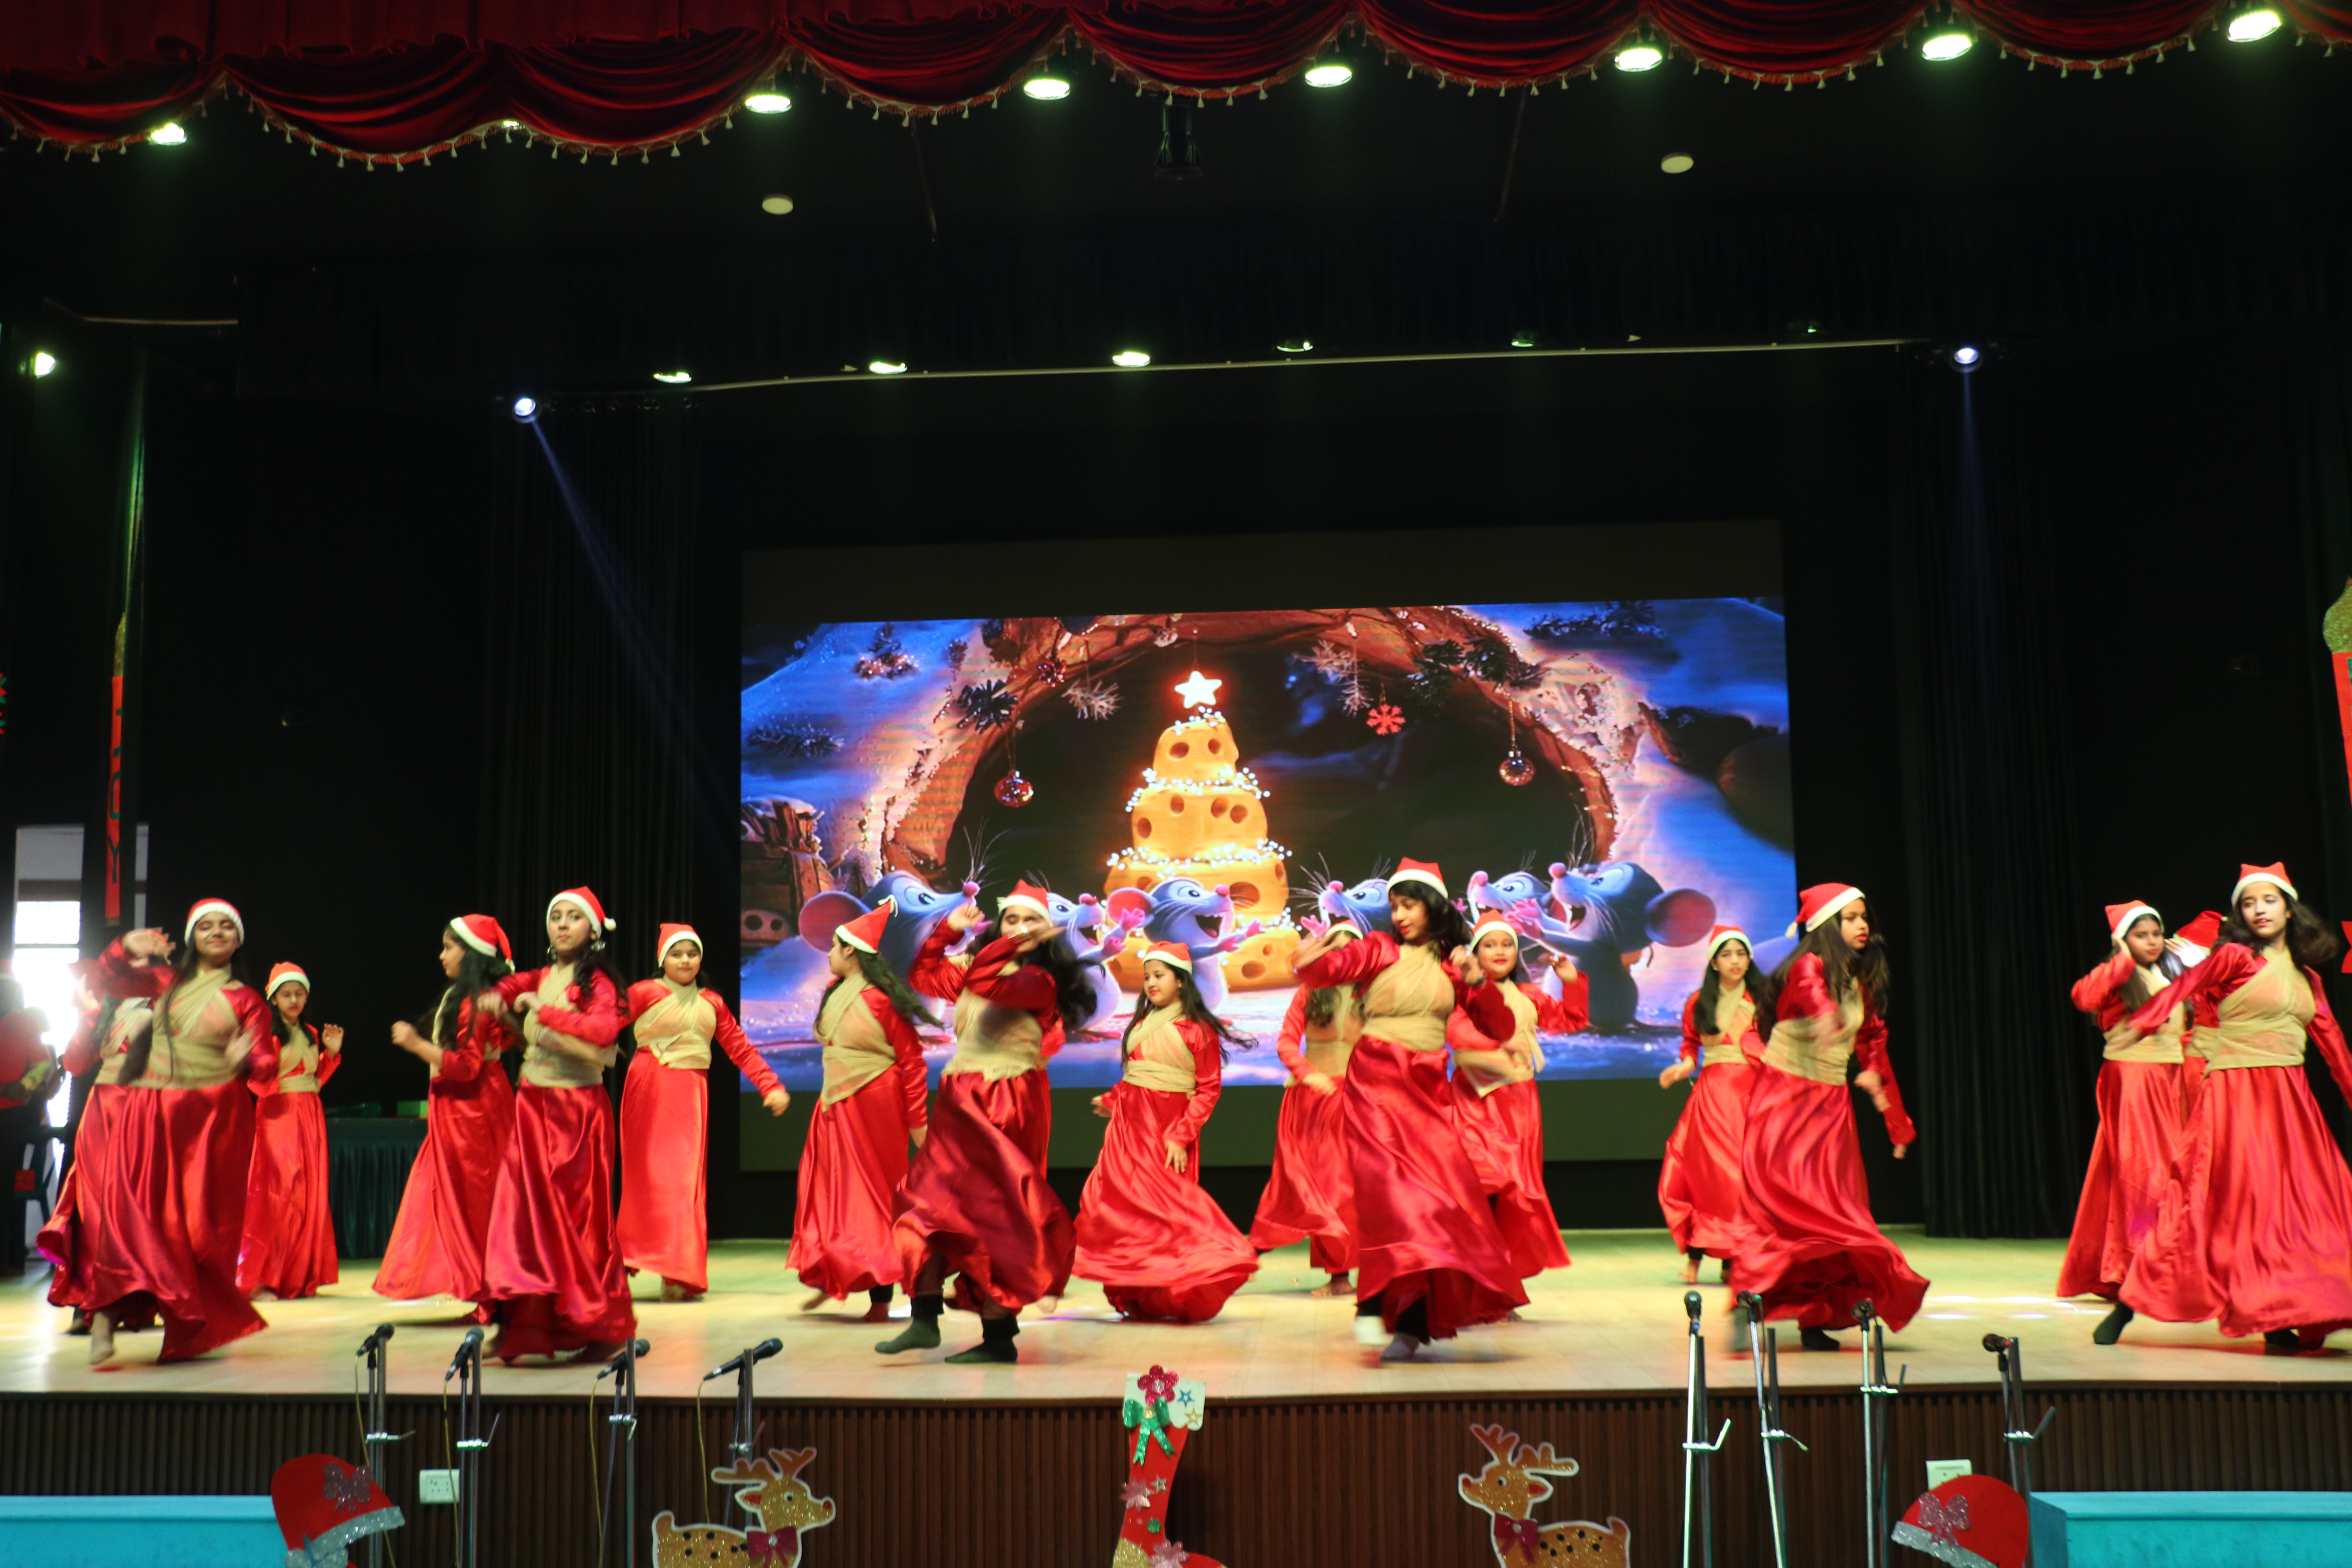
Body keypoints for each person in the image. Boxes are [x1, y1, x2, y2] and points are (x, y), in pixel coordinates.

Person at [1290, 858, 1526, 1363]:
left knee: (1437, 1202)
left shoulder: (1454, 964)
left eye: (1409, 905)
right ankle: (1377, 1304)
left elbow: (1500, 1027)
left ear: (1432, 907)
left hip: (1427, 1089)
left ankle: (1412, 1320)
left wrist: (1478, 982)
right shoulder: (1379, 948)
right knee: (1392, 1198)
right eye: (1395, 906)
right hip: (1375, 1082)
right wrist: (1307, 960)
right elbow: (1328, 970)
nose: (1399, 915)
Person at [2116, 864, 2352, 1350]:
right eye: (2248, 903)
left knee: (2310, 1206)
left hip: (2290, 1103)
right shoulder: (2236, 958)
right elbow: (2185, 986)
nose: (2259, 910)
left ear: (2290, 909)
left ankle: (2286, 1309)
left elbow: (2336, 1049)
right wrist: (2145, 1020)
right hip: (2235, 1096)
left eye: (2269, 900)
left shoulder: (2308, 979)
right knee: (2230, 1204)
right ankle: (2137, 1297)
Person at [49, 900, 280, 1365]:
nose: (217, 932)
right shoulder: (165, 981)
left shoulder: (248, 1000)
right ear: (193, 937)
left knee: (195, 1232)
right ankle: (104, 1314)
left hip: (212, 1122)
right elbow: (108, 980)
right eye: (206, 926)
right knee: (134, 1215)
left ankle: (184, 1321)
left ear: (239, 939)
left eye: (227, 927)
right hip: (151, 1111)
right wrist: (123, 945)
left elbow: (267, 1064)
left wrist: (246, 1060)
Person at [879, 880, 1081, 1365]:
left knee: (999, 1215)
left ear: (1047, 932)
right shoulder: (977, 969)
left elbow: (988, 984)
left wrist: (1005, 945)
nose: (1019, 929)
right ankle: (925, 1315)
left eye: (1030, 921)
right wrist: (948, 931)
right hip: (960, 1097)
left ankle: (998, 1336)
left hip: (1006, 1098)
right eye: (1011, 920)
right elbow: (924, 974)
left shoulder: (1038, 981)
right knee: (925, 1201)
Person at [1728, 884, 1925, 1348]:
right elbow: (1813, 998)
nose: (1863, 925)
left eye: (1864, 917)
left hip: (1831, 1111)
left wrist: (1897, 1122)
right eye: (1851, 918)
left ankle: (1815, 1315)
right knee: (1789, 1209)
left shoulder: (1859, 983)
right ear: (1827, 927)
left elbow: (1874, 1047)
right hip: (1784, 1105)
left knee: (1834, 1215)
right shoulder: (1808, 966)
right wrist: (1827, 1021)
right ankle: (1748, 1298)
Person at [483, 888, 633, 1362]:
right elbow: (507, 987)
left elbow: (603, 1031)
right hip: (532, 1107)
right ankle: (520, 1325)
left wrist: (541, 1010)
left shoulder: (600, 983)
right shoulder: (541, 976)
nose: (563, 925)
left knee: (576, 1222)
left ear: (593, 930)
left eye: (573, 917)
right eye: (556, 917)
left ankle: (598, 1326)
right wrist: (495, 996)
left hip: (577, 1113)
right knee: (522, 1218)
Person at [1073, 940, 1259, 1321]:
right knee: (1120, 1207)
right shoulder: (1142, 1024)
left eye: (1160, 975)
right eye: (1147, 977)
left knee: (1166, 1212)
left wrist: (1181, 1136)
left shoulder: (1197, 1030)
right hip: (1129, 1132)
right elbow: (1136, 1076)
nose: (1151, 983)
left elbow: (1208, 1089)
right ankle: (1135, 1291)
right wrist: (1113, 1099)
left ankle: (1175, 1291)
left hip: (1168, 1132)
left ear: (1182, 981)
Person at [617, 924, 791, 1302]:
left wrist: (771, 1085)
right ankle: (636, 1257)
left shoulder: (712, 1002)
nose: (685, 961)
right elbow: (602, 1023)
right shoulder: (644, 992)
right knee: (647, 1179)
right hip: (648, 1089)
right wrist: (591, 1049)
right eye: (677, 954)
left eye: (692, 954)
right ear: (663, 959)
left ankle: (677, 1271)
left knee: (682, 1183)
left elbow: (740, 1048)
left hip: (690, 1094)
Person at [2058, 901, 2198, 1342]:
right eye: (2141, 935)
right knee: (2145, 1175)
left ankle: (2148, 1265)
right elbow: (2083, 997)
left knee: (2163, 1172)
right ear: (2122, 939)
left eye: (2156, 933)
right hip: (2134, 1080)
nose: (2152, 941)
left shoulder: (2168, 976)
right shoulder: (2118, 976)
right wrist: (2121, 958)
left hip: (2170, 1080)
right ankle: (2138, 1269)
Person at [791, 901, 933, 1322]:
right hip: (834, 1101)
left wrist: (918, 1122)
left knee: (872, 1196)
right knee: (827, 1191)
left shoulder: (881, 1001)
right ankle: (832, 1269)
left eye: (835, 947)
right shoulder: (837, 992)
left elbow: (912, 1063)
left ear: (851, 951)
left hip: (874, 1102)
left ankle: (880, 1295)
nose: (829, 955)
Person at [375, 915, 518, 1314]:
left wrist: (416, 1045)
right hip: (458, 1109)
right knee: (449, 1196)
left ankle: (492, 1295)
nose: (442, 955)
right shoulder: (465, 996)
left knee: (476, 1201)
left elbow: (468, 1067)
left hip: (472, 1112)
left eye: (449, 947)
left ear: (471, 955)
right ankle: (479, 1287)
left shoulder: (475, 1002)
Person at [1447, 911, 1585, 1283]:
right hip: (1475, 1101)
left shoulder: (1529, 996)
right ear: (1476, 953)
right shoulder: (1463, 994)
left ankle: (1503, 1280)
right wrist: (1501, 1046)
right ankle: (1475, 1273)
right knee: (1483, 1181)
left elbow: (1571, 1020)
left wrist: (1571, 983)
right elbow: (1459, 1036)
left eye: (1507, 944)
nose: (1500, 951)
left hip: (1519, 1105)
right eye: (1490, 945)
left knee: (1515, 1192)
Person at [1249, 918, 1366, 1298]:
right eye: (1335, 949)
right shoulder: (1310, 992)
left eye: (1350, 950)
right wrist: (1308, 1073)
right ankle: (1249, 1254)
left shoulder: (1374, 994)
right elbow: (1286, 1043)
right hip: (1308, 1101)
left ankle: (1340, 1276)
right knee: (1297, 1187)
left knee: (1340, 1186)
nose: (1342, 957)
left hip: (1355, 1099)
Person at [1657, 926, 1772, 1285]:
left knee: (1743, 1175)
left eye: (1741, 953)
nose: (1735, 961)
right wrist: (1684, 1066)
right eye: (1726, 955)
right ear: (1714, 962)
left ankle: (1735, 1257)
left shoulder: (1764, 998)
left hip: (1753, 1093)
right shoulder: (1699, 1001)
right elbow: (1691, 1043)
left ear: (1749, 959)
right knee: (1705, 1176)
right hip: (1714, 1095)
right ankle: (1697, 1258)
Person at [236, 964, 343, 1301]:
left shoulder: (310, 1033)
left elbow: (315, 1080)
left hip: (310, 1115)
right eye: (286, 995)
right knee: (278, 1194)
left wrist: (331, 1054)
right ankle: (264, 1278)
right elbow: (255, 1080)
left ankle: (298, 1274)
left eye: (299, 994)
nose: (294, 1000)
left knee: (308, 1195)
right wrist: (275, 1086)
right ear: (274, 998)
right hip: (279, 1116)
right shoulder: (266, 1034)